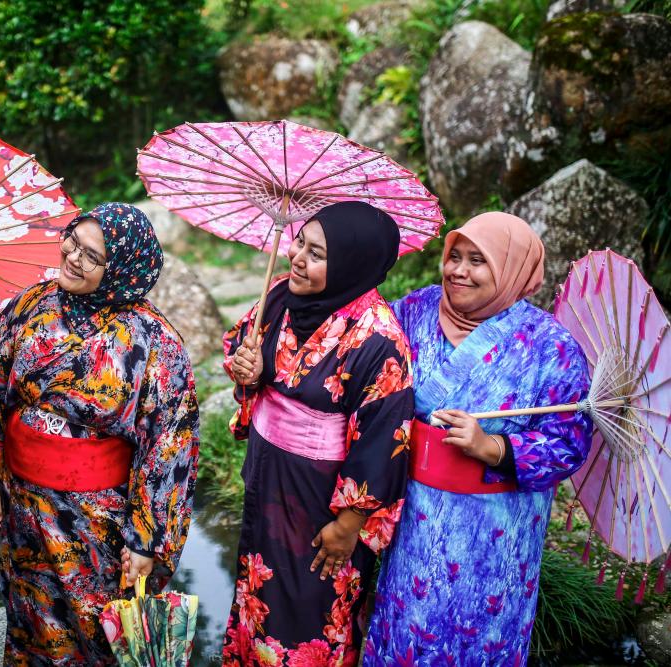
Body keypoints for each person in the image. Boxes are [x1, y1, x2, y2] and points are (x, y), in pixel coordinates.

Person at [0, 202, 200, 665]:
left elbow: (170, 446)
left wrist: (146, 540)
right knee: (29, 617)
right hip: (23, 503)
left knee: (98, 630)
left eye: (92, 256)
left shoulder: (153, 340)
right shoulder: (30, 306)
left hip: (98, 518)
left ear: (121, 268)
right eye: (72, 241)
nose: (73, 257)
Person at [363, 212, 593, 664]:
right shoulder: (415, 310)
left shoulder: (551, 347)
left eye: (477, 261)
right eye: (454, 257)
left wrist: (492, 447)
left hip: (495, 532)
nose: (458, 271)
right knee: (406, 627)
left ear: (512, 269)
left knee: (478, 635)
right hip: (413, 516)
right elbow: (367, 370)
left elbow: (569, 442)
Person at [220, 201, 415, 666]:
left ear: (353, 261)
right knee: (257, 589)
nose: (297, 257)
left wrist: (348, 526)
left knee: (310, 607)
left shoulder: (378, 339)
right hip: (268, 476)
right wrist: (247, 369)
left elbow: (384, 437)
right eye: (299, 242)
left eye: (317, 253)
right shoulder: (282, 295)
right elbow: (242, 345)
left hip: (321, 499)